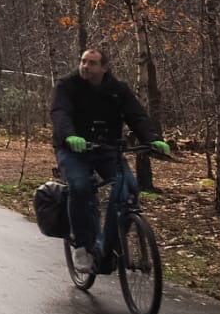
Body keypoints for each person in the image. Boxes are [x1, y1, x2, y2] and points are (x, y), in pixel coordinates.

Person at [51, 45, 171, 275]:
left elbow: (136, 115)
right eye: (83, 61)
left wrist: (153, 139)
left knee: (129, 190)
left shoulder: (117, 90)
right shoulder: (67, 86)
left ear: (104, 67)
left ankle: (110, 246)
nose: (85, 66)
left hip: (107, 149)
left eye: (92, 63)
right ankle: (82, 246)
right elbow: (60, 113)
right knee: (81, 187)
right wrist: (70, 135)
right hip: (73, 149)